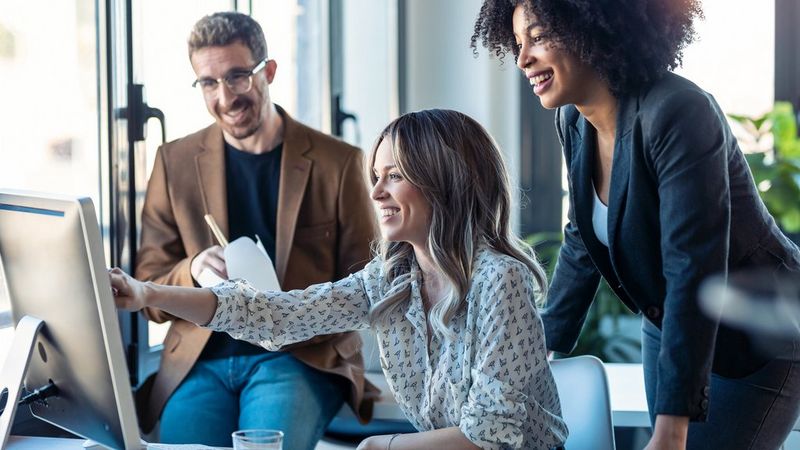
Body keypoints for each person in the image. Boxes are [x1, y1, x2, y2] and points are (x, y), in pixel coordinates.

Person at [113, 109, 569, 450]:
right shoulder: (391, 280)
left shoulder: (499, 280)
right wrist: (146, 292)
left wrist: (379, 446)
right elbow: (274, 316)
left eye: (394, 176)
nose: (375, 192)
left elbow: (490, 431)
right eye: (376, 176)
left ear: (443, 181)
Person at [472, 1, 800, 449]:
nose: (522, 58)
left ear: (594, 28)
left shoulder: (680, 112)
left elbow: (693, 268)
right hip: (668, 325)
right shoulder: (573, 119)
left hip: (758, 335)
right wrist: (537, 354)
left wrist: (671, 427)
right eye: (517, 43)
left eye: (539, 36)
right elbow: (582, 243)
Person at [133, 11, 377, 449]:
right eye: (208, 83)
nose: (225, 97)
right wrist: (191, 269)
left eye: (238, 77)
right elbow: (148, 284)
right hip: (199, 358)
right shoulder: (174, 162)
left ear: (268, 72)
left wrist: (293, 318)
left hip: (298, 356)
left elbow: (367, 284)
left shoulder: (338, 163)